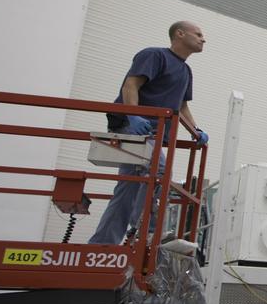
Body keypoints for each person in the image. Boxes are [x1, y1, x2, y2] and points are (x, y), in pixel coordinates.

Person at [88, 21, 209, 245]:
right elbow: (130, 85)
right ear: (180, 34)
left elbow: (181, 106)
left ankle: (102, 244)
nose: (204, 39)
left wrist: (196, 130)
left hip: (152, 134)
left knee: (128, 189)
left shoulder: (185, 70)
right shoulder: (154, 56)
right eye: (198, 34)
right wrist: (133, 115)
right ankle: (146, 230)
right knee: (159, 171)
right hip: (131, 127)